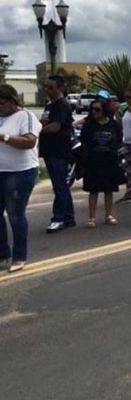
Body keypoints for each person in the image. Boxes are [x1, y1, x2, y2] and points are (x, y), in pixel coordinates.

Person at [0, 84, 42, 273]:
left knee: (15, 214)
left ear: (12, 101)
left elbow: (29, 142)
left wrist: (4, 137)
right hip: (1, 171)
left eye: (1, 103)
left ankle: (19, 256)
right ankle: (2, 252)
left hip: (20, 172)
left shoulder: (25, 116)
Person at [39, 75, 76, 232]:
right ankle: (68, 216)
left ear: (60, 88)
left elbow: (54, 127)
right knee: (61, 185)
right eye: (46, 87)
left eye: (51, 87)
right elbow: (45, 123)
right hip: (49, 150)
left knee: (59, 185)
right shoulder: (50, 105)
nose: (47, 90)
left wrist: (44, 127)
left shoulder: (61, 105)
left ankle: (58, 217)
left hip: (59, 150)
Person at [80, 98, 124, 228]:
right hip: (93, 160)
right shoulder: (89, 125)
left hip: (109, 160)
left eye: (97, 109)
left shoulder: (114, 125)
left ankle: (108, 215)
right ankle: (91, 217)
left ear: (104, 110)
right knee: (93, 189)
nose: (94, 112)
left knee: (108, 189)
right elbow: (84, 140)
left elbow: (119, 139)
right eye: (92, 109)